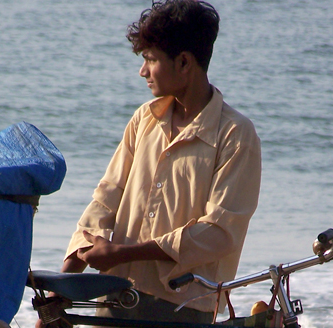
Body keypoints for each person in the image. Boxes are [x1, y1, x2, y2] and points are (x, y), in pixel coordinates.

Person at [60, 0, 261, 324]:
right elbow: (105, 200)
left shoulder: (236, 135)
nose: (143, 71)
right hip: (116, 297)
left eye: (151, 60)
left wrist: (126, 253)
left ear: (183, 62)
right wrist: (61, 291)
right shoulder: (144, 120)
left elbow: (219, 233)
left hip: (182, 307)